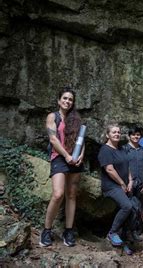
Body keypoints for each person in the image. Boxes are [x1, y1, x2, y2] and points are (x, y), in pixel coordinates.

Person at [40, 87, 84, 247]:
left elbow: (81, 139)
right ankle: (46, 230)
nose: (67, 101)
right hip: (59, 158)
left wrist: (81, 156)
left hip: (75, 159)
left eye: (70, 99)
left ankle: (69, 230)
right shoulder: (52, 116)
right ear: (59, 100)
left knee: (71, 195)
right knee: (58, 194)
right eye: (65, 98)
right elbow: (53, 140)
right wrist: (66, 156)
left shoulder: (76, 119)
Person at [98, 124, 133, 251]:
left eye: (118, 132)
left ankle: (124, 243)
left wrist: (130, 180)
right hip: (111, 186)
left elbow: (127, 165)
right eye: (114, 132)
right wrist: (122, 184)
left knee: (131, 212)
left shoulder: (121, 149)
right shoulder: (105, 150)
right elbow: (109, 169)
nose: (117, 134)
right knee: (127, 206)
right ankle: (112, 233)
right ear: (108, 135)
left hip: (124, 186)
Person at [123, 126, 143, 241]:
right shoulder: (124, 149)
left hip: (140, 183)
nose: (136, 137)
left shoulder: (142, 150)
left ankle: (136, 229)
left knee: (138, 207)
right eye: (133, 134)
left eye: (138, 135)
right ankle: (128, 231)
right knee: (130, 207)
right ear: (129, 136)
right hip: (129, 184)